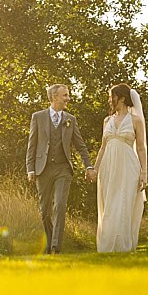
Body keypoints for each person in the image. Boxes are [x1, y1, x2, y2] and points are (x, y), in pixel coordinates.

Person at [26, 84, 95, 254]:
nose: (68, 99)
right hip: (43, 169)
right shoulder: (38, 117)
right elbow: (32, 145)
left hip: (63, 169)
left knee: (61, 205)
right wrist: (30, 168)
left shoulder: (71, 119)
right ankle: (49, 243)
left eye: (68, 95)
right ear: (54, 97)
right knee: (44, 211)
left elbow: (81, 146)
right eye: (65, 95)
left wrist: (89, 165)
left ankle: (56, 247)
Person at [92, 84, 147, 253]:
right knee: (109, 204)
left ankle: (123, 246)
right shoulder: (107, 121)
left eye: (112, 97)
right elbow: (102, 147)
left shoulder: (136, 120)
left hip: (128, 166)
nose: (110, 100)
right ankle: (107, 245)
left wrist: (144, 172)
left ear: (122, 98)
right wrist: (95, 169)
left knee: (123, 203)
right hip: (108, 166)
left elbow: (141, 148)